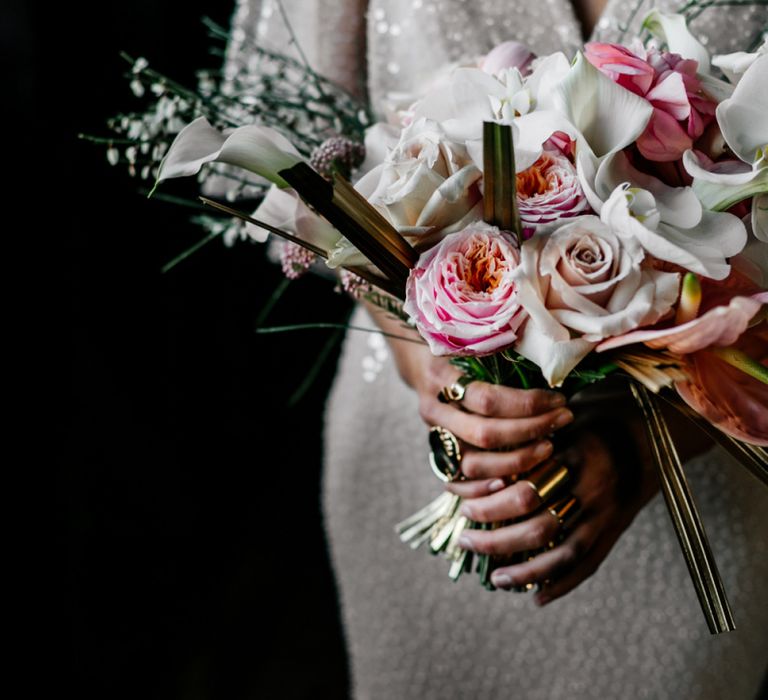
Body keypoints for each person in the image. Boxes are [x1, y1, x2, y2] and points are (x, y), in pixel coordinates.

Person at [224, 0, 768, 697]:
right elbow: (294, 152)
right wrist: (424, 345)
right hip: (422, 448)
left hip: (708, 457)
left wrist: (644, 450)